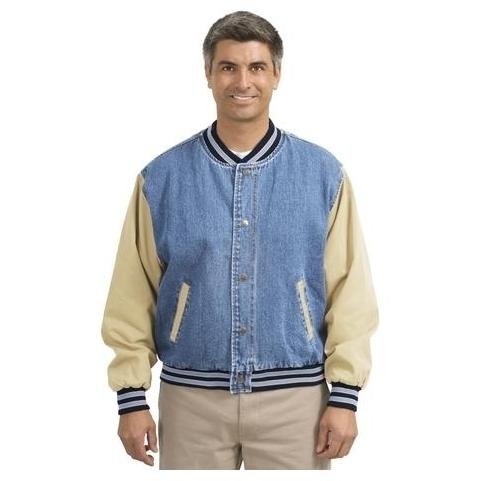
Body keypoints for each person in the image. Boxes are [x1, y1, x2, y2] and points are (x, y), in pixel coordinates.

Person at [101, 10, 379, 470]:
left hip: (296, 402)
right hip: (190, 401)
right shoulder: (162, 178)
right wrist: (131, 397)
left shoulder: (323, 175)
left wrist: (345, 396)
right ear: (208, 74)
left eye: (256, 67)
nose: (242, 81)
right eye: (228, 67)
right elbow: (131, 292)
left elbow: (351, 291)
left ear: (276, 75)